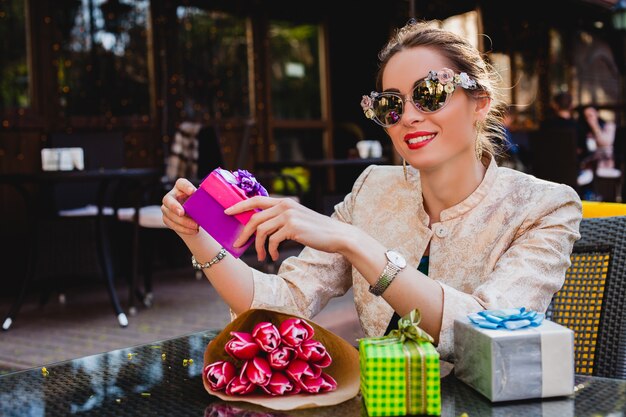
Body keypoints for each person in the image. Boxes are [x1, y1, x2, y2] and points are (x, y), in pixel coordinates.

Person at [161, 19, 582, 361]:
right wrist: (196, 236)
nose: (409, 117)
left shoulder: (545, 206)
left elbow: (486, 330)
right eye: (390, 104)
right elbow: (282, 302)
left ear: (480, 101)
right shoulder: (372, 189)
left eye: (429, 94)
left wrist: (356, 244)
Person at [580, 105, 620, 180]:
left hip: (605, 163)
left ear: (597, 114)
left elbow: (605, 142)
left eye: (590, 115)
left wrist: (595, 126)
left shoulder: (608, 126)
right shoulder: (584, 129)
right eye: (586, 117)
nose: (589, 119)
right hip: (588, 165)